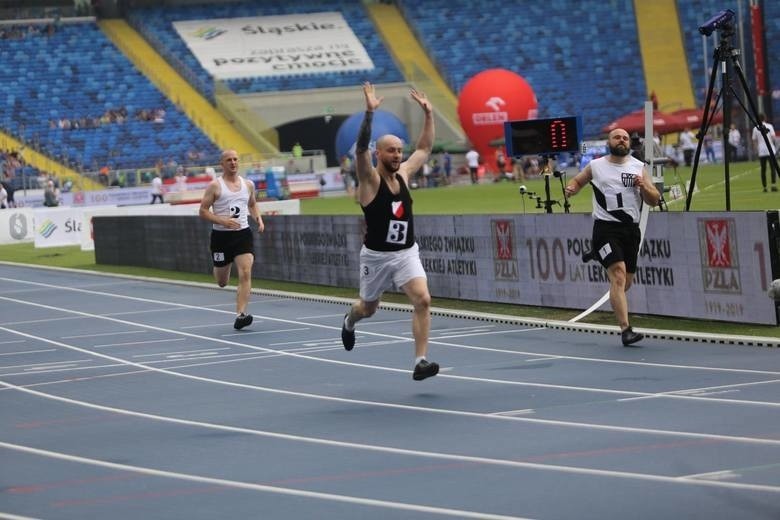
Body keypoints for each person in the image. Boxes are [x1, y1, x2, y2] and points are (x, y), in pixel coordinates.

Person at [340, 82, 439, 381]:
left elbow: (423, 148)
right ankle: (349, 320)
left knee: (422, 299)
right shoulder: (369, 181)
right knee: (368, 308)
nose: (397, 155)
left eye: (399, 150)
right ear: (378, 153)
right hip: (376, 257)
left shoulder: (406, 174)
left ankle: (420, 361)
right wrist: (369, 114)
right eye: (391, 151)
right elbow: (359, 150)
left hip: (406, 252)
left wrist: (429, 114)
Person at [564, 128, 661, 346]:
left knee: (625, 283)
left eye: (625, 138)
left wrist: (644, 186)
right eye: (617, 137)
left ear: (629, 144)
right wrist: (571, 188)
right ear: (609, 141)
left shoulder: (638, 168)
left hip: (630, 230)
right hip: (606, 228)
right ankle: (626, 330)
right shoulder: (597, 165)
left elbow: (654, 200)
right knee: (617, 276)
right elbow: (578, 181)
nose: (622, 140)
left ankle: (598, 254)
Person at [199, 149, 265, 330]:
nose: (233, 162)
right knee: (222, 282)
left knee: (245, 272)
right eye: (229, 160)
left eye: (236, 159)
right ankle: (219, 267)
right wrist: (223, 221)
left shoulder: (248, 184)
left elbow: (251, 203)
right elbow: (203, 211)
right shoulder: (215, 186)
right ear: (222, 164)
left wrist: (258, 218)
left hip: (242, 234)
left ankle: (241, 314)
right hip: (221, 237)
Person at [752, 114, 778, 192]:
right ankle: (773, 185)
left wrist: (756, 149)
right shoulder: (770, 126)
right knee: (772, 168)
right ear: (765, 118)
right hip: (770, 150)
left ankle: (765, 187)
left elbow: (754, 141)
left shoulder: (755, 128)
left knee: (763, 169)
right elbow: (773, 138)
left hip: (761, 151)